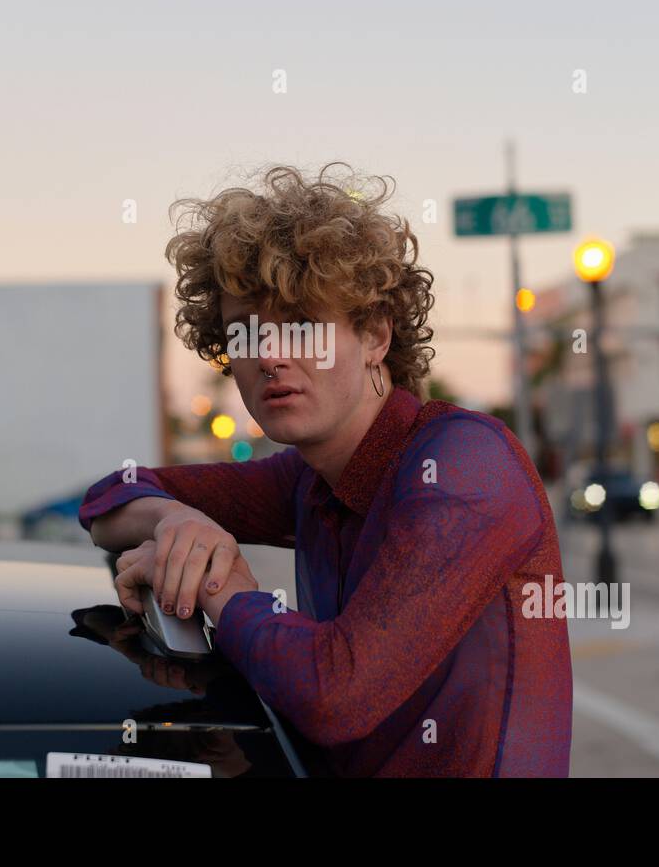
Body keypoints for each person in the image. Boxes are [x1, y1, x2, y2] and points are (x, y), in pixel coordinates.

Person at [80, 163, 572, 777]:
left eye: (302, 327)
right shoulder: (305, 480)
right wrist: (178, 521)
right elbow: (107, 499)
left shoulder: (465, 464)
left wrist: (221, 586)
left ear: (374, 334)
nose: (270, 358)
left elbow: (339, 695)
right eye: (245, 332)